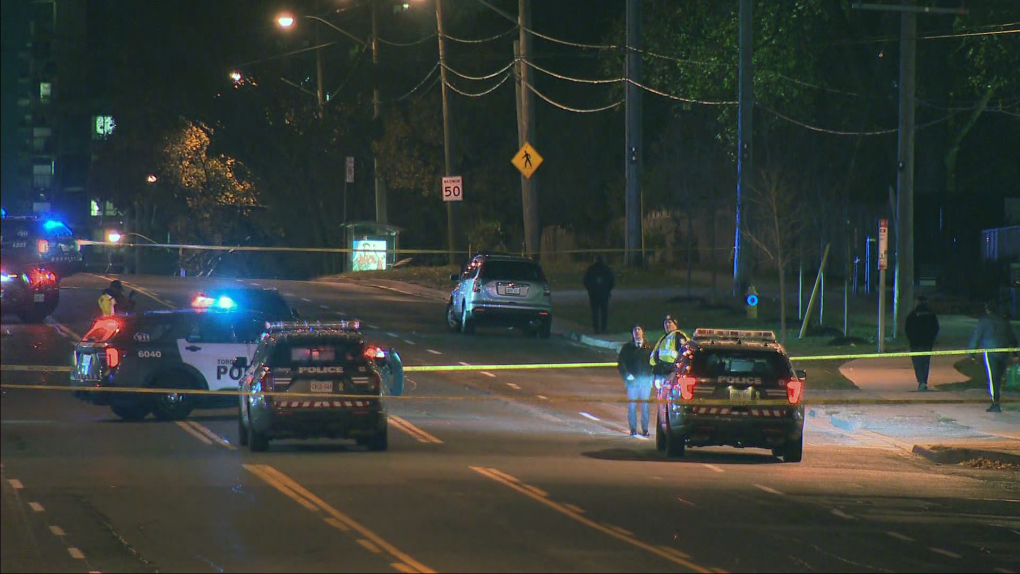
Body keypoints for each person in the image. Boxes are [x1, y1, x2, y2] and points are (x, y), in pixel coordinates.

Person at [969, 300, 1019, 413]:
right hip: (1004, 351)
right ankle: (997, 398)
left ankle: (995, 402)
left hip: (991, 352)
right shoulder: (1004, 321)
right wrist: (1016, 353)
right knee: (999, 377)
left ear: (987, 309)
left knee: (993, 377)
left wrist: (972, 353)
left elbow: (976, 337)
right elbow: (1012, 337)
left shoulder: (983, 321)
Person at [617, 324, 653, 437]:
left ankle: (645, 429)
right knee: (632, 406)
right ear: (632, 333)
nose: (637, 332)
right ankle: (633, 429)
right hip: (632, 382)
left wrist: (651, 376)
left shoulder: (649, 348)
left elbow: (654, 363)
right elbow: (621, 363)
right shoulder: (627, 348)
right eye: (634, 330)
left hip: (645, 381)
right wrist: (627, 375)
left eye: (639, 329)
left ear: (643, 332)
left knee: (645, 406)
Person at [904, 295, 940, 391]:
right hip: (927, 343)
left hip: (915, 344)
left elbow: (908, 329)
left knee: (918, 363)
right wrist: (931, 339)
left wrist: (911, 339)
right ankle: (923, 381)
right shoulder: (931, 315)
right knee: (925, 363)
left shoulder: (913, 315)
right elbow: (935, 328)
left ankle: (921, 381)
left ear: (918, 303)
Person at [649, 315, 690, 390]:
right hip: (662, 372)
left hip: (672, 372)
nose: (667, 325)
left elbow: (684, 354)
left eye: (669, 322)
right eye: (665, 323)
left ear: (675, 324)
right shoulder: (663, 338)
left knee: (670, 394)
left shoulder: (678, 336)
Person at [583, 255, 615, 334]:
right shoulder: (606, 270)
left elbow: (585, 281)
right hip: (604, 294)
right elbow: (612, 281)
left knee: (595, 312)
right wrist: (608, 290)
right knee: (604, 312)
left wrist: (590, 290)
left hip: (594, 294)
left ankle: (596, 328)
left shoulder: (591, 270)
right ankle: (604, 328)